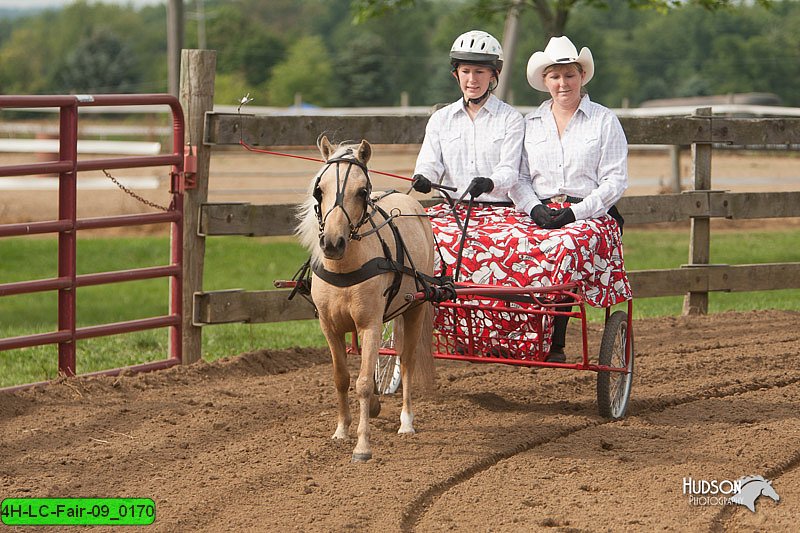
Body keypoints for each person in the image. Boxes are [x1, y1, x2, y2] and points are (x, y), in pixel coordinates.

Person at [510, 35, 630, 362]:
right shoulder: (530, 124)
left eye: (569, 75)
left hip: (591, 213)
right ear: (546, 81)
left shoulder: (604, 121)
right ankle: (513, 332)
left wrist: (575, 213)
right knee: (507, 244)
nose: (563, 83)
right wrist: (534, 207)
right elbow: (518, 179)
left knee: (565, 246)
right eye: (555, 76)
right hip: (541, 209)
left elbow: (615, 180)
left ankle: (556, 341)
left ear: (581, 77)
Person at [411, 29, 524, 203]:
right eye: (465, 71)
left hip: (499, 210)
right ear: (456, 74)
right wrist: (424, 177)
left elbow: (510, 170)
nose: (472, 79)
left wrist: (490, 183)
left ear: (494, 75)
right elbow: (430, 161)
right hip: (453, 208)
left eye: (479, 72)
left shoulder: (511, 119)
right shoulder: (441, 119)